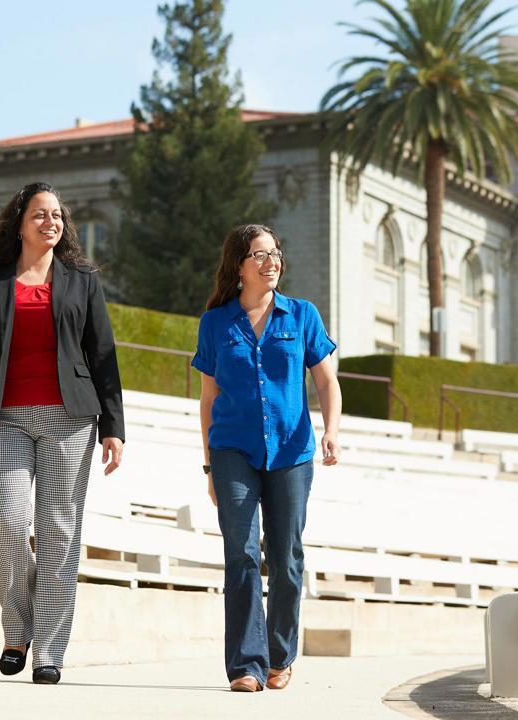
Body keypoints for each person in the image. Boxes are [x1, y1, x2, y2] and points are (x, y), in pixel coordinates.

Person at [0, 182, 125, 685]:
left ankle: (48, 649)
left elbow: (102, 356)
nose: (52, 222)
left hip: (70, 421)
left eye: (58, 216)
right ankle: (16, 626)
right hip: (4, 417)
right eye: (41, 214)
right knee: (5, 522)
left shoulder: (83, 280)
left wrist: (113, 426)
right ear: (19, 222)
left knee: (59, 533)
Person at [192, 223, 342, 692]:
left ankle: (280, 655)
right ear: (239, 266)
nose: (271, 261)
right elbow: (208, 400)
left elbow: (326, 382)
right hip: (233, 449)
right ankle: (245, 665)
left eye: (275, 252)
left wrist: (332, 431)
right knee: (240, 553)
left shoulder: (302, 316)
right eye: (259, 255)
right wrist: (210, 465)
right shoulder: (216, 323)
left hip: (292, 453)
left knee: (286, 556)